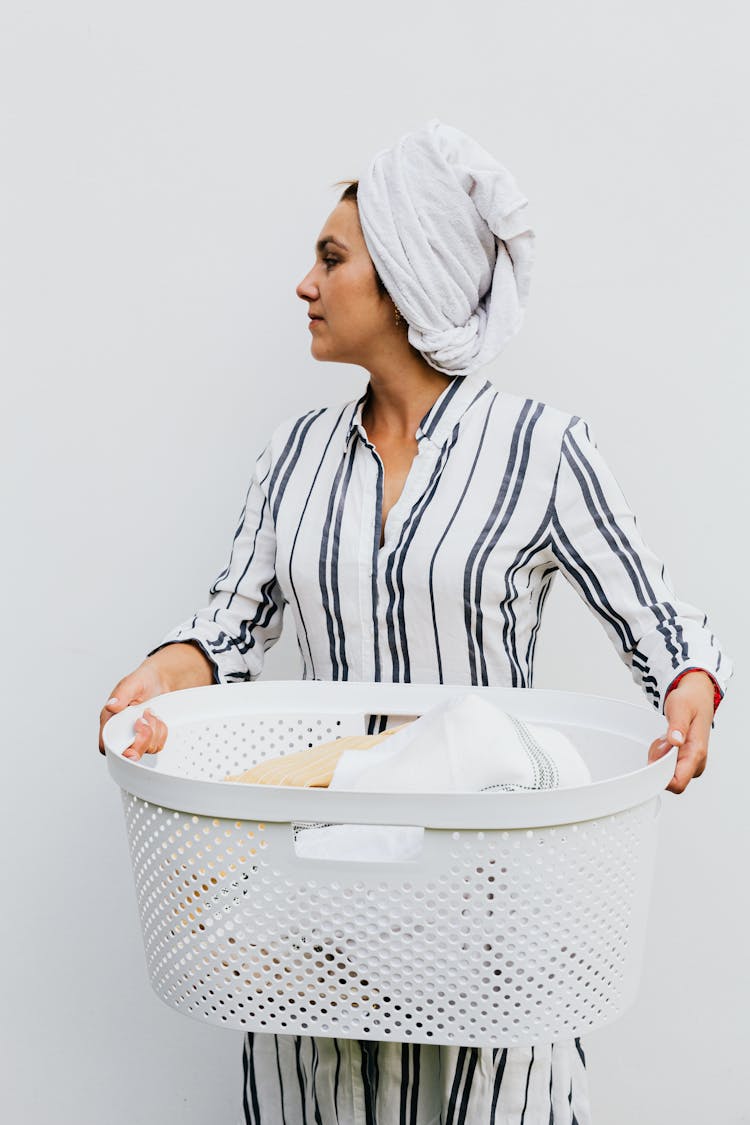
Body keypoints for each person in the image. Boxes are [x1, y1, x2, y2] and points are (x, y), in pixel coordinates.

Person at [98, 120, 732, 1125]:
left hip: (494, 906)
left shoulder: (541, 450)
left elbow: (660, 620)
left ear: (402, 279)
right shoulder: (294, 456)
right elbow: (224, 632)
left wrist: (690, 690)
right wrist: (162, 674)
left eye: (331, 258)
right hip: (321, 902)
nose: (305, 284)